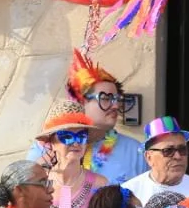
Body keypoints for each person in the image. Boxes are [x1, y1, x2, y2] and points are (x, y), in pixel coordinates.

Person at [61, 48, 147, 184]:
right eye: (106, 98)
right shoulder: (53, 145)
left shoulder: (136, 151)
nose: (115, 105)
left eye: (117, 99)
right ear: (81, 102)